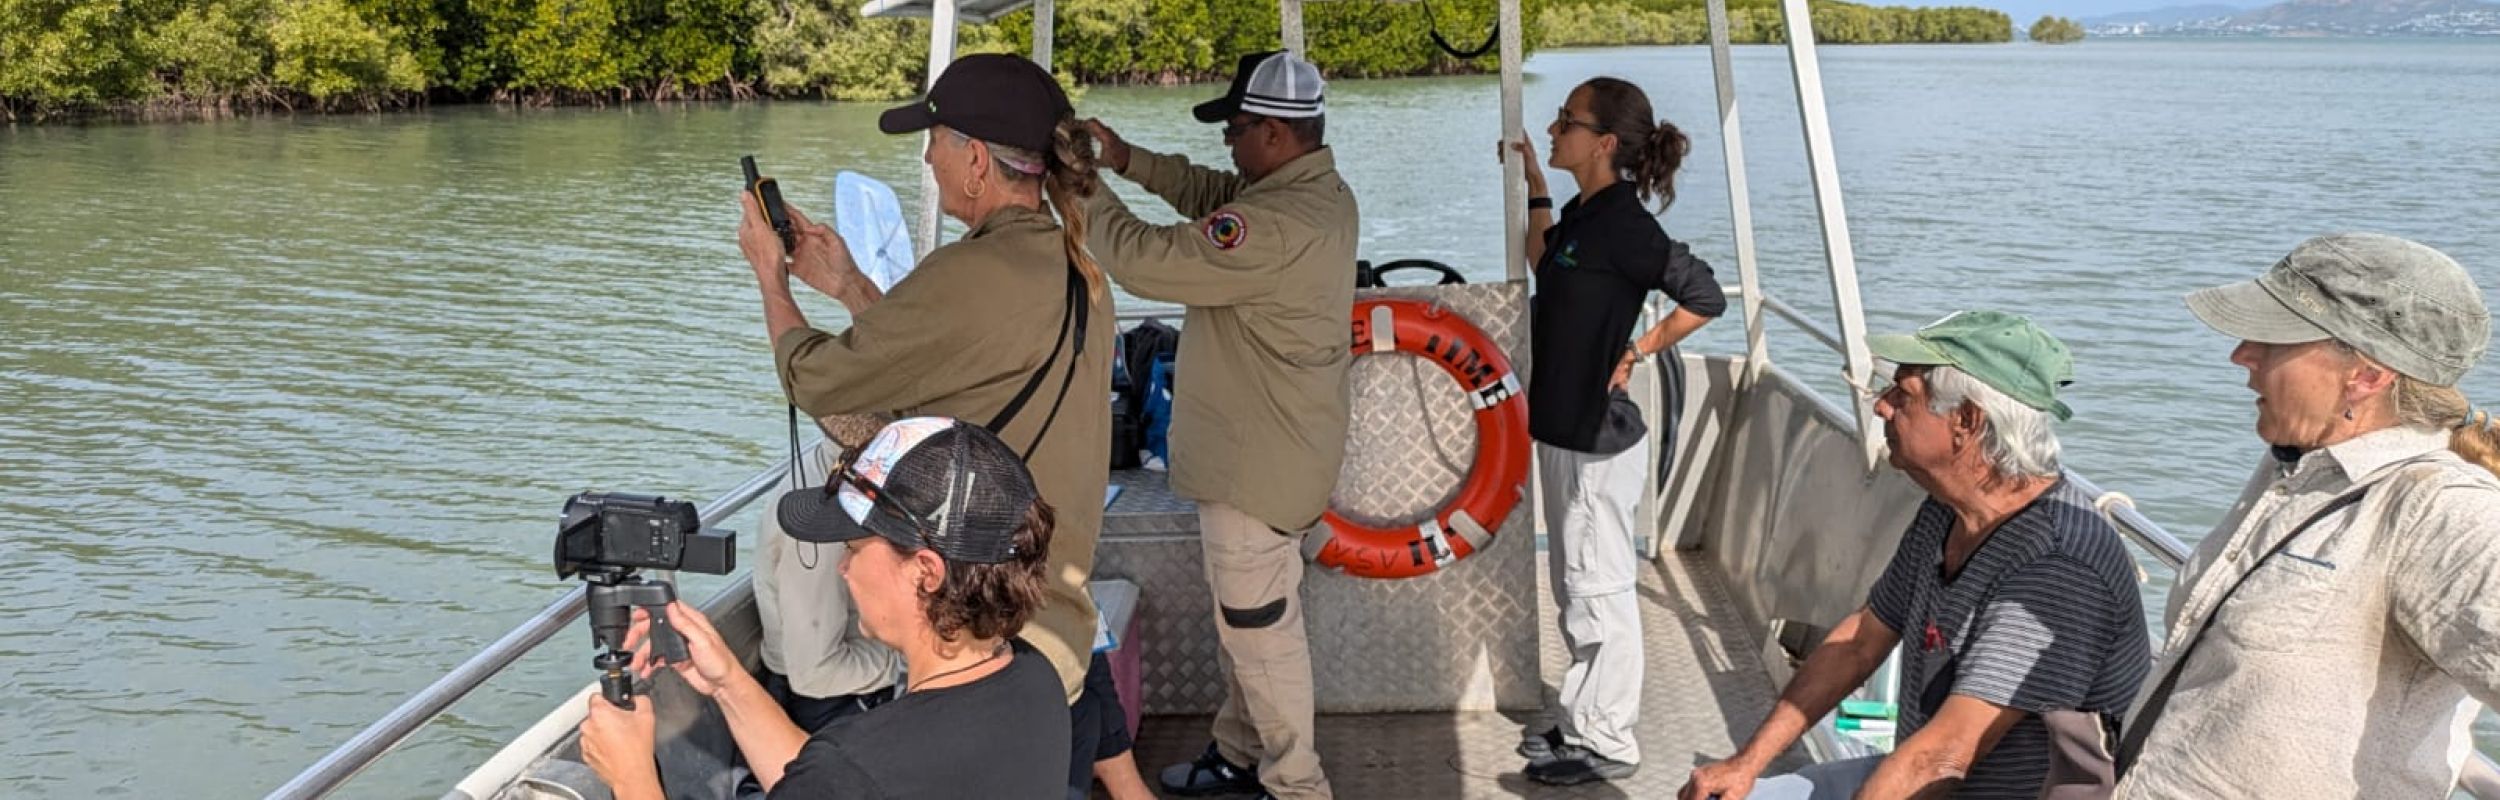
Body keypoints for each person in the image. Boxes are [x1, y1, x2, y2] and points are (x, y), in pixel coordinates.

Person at [732, 53, 1137, 797]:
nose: (927, 156)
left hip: (987, 647)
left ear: (977, 160)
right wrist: (851, 284)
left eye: (938, 139)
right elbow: (962, 353)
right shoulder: (1080, 263)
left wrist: (769, 274)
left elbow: (811, 375)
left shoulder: (970, 273)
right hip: (1059, 645)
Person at [1681, 310, 2151, 800]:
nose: (1881, 408)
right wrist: (1745, 764)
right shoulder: (1946, 512)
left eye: (1902, 395)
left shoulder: (2059, 568)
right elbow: (1862, 640)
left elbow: (1946, 753)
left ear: (1966, 421)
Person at [2111, 234, 2500, 799]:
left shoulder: (2442, 510)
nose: (2241, 354)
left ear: (2366, 377)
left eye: (2272, 338)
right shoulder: (2294, 465)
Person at [1081, 49, 1356, 800]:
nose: (1226, 145)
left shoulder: (1273, 226)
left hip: (1254, 472)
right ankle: (1239, 755)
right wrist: (1128, 159)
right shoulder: (1314, 192)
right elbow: (1211, 193)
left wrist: (1082, 189)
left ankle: (1299, 786)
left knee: (1264, 643)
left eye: (1234, 130)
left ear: (1272, 132)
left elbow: (1144, 260)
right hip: (1280, 455)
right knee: (1249, 625)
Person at [579, 417, 1071, 800]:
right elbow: (824, 783)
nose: (842, 569)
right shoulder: (1035, 679)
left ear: (925, 571)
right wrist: (727, 681)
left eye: (854, 548)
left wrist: (632, 777)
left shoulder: (856, 766)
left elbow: (843, 780)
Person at [1500, 75, 1727, 786]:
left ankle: (1609, 740)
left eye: (1566, 122)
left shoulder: (1629, 227)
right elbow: (1544, 260)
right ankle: (1580, 718)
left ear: (1603, 143)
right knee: (1574, 585)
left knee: (1599, 589)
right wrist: (1537, 181)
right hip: (1563, 429)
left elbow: (1705, 296)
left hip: (1599, 439)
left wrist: (1638, 349)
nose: (1554, 128)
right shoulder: (1587, 212)